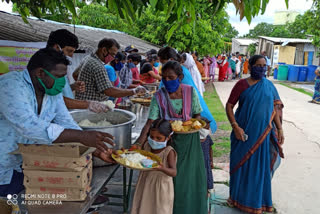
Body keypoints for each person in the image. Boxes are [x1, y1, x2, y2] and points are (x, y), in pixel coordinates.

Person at [0, 48, 116, 197]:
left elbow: (66, 123)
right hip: (3, 166)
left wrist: (93, 148)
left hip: (26, 164)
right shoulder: (11, 86)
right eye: (59, 76)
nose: (63, 81)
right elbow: (29, 127)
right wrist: (82, 137)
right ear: (40, 73)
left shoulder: (51, 92)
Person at [136, 61, 207, 214]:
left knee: (187, 181)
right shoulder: (158, 96)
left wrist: (194, 123)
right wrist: (139, 143)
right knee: (168, 182)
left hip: (189, 143)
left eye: (171, 77)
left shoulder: (190, 92)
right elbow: (150, 122)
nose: (167, 81)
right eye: (164, 78)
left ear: (180, 77)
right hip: (166, 144)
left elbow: (197, 114)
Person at [225, 55, 285, 214]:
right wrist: (235, 127)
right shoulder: (241, 85)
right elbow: (229, 106)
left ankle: (257, 202)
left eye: (264, 65)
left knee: (259, 169)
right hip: (243, 135)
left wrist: (279, 129)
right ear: (250, 67)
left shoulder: (269, 86)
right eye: (258, 65)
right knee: (240, 166)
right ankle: (236, 198)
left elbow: (275, 110)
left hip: (263, 137)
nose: (261, 68)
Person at [47, 29, 110, 113]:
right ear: (56, 48)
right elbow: (56, 99)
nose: (71, 56)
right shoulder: (46, 69)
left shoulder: (59, 66)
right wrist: (88, 104)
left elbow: (59, 91)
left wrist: (72, 87)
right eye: (69, 51)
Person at [157, 47, 217, 133]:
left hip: (189, 112)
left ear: (171, 59)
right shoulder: (176, 71)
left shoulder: (180, 73)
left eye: (163, 63)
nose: (162, 66)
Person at [74, 38, 146, 101]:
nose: (113, 58)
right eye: (113, 54)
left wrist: (88, 86)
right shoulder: (97, 65)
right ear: (104, 50)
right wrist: (134, 91)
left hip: (84, 101)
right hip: (91, 105)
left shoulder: (88, 58)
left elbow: (75, 74)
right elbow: (109, 91)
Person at [131, 119, 177, 214]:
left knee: (159, 210)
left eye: (158, 138)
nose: (154, 140)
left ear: (168, 138)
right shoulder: (147, 146)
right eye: (152, 137)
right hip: (145, 183)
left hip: (161, 188)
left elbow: (174, 172)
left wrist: (162, 168)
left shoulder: (169, 152)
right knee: (144, 208)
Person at [199, 117, 214, 194]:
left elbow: (210, 149)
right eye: (205, 128)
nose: (207, 130)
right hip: (198, 163)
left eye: (208, 128)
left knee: (206, 176)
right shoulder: (195, 139)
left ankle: (206, 192)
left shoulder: (207, 138)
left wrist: (211, 160)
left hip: (206, 161)